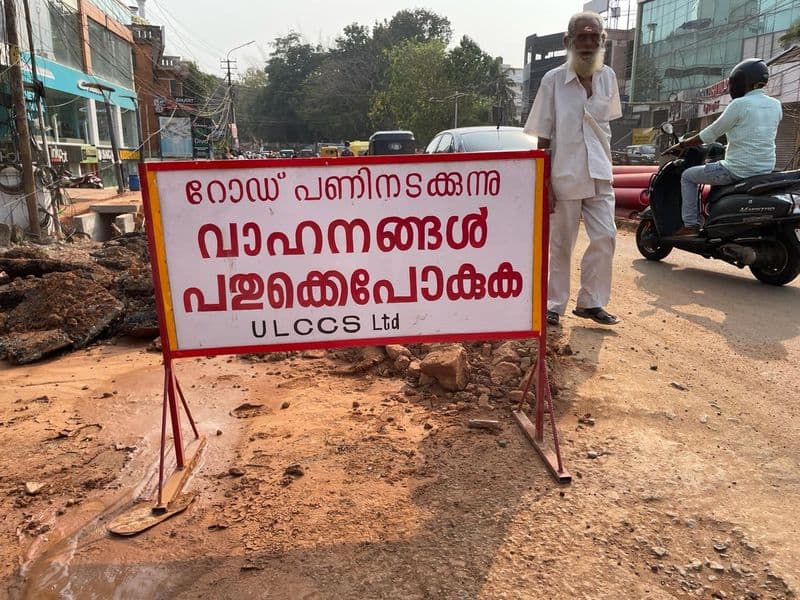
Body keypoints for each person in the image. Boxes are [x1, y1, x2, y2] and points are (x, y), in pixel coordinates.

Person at [523, 11, 622, 326]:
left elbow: (605, 126)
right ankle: (554, 304)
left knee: (605, 236)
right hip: (565, 175)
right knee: (561, 244)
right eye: (583, 37)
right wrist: (545, 180)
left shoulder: (608, 77)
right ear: (569, 41)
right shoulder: (553, 80)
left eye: (595, 37)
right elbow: (543, 133)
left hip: (600, 173)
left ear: (602, 41)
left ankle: (591, 303)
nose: (589, 43)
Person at [667, 58, 782, 237]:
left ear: (742, 81)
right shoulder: (776, 105)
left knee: (687, 176)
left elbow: (710, 133)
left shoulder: (739, 105)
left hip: (737, 170)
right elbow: (756, 134)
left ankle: (690, 224)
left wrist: (683, 144)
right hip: (765, 169)